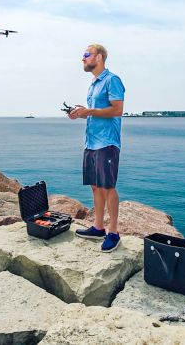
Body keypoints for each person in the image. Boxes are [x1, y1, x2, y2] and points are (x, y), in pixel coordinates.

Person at [67, 44, 125, 252]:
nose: (82, 59)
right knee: (95, 185)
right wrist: (80, 112)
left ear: (99, 57)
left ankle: (113, 232)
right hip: (91, 142)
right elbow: (94, 112)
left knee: (108, 187)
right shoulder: (93, 84)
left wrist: (88, 111)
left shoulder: (112, 80)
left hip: (107, 142)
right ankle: (98, 227)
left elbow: (117, 110)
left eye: (86, 55)